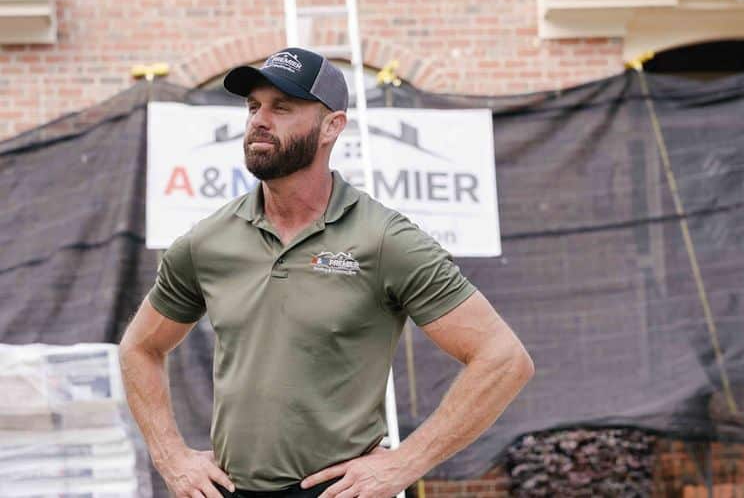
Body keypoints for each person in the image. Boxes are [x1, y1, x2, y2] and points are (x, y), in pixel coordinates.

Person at [119, 47, 534, 498]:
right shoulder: (209, 241)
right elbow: (139, 348)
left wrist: (404, 464)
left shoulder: (383, 238)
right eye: (254, 107)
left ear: (331, 127)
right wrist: (172, 458)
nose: (260, 120)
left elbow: (504, 359)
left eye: (283, 107)